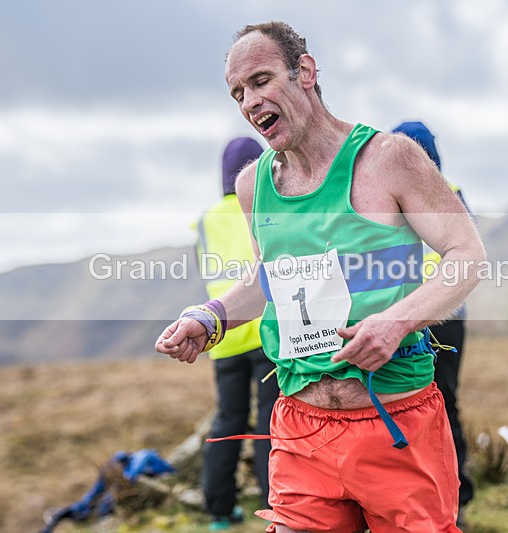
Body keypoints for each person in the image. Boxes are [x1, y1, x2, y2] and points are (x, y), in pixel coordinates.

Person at [156, 20, 485, 532]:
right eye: (237, 92)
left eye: (261, 81)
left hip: (395, 422)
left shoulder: (388, 158)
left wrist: (395, 323)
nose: (249, 102)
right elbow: (271, 279)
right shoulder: (253, 186)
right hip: (301, 428)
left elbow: (466, 255)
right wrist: (212, 316)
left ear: (305, 72)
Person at [194, 137, 280, 530]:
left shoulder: (207, 220)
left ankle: (219, 510)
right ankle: (273, 506)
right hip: (263, 330)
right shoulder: (260, 206)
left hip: (223, 336)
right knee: (268, 423)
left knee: (227, 420)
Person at [391, 121, 476, 518]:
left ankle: (439, 497)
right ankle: (453, 494)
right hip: (447, 315)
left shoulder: (390, 191)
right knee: (445, 402)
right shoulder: (454, 194)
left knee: (411, 405)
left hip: (413, 316)